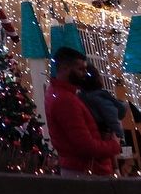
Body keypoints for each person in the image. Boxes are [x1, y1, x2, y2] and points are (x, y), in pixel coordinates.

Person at [44, 47, 121, 177]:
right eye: (81, 69)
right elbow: (85, 146)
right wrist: (114, 145)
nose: (85, 74)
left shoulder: (59, 93)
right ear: (64, 68)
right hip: (85, 170)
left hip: (78, 167)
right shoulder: (66, 100)